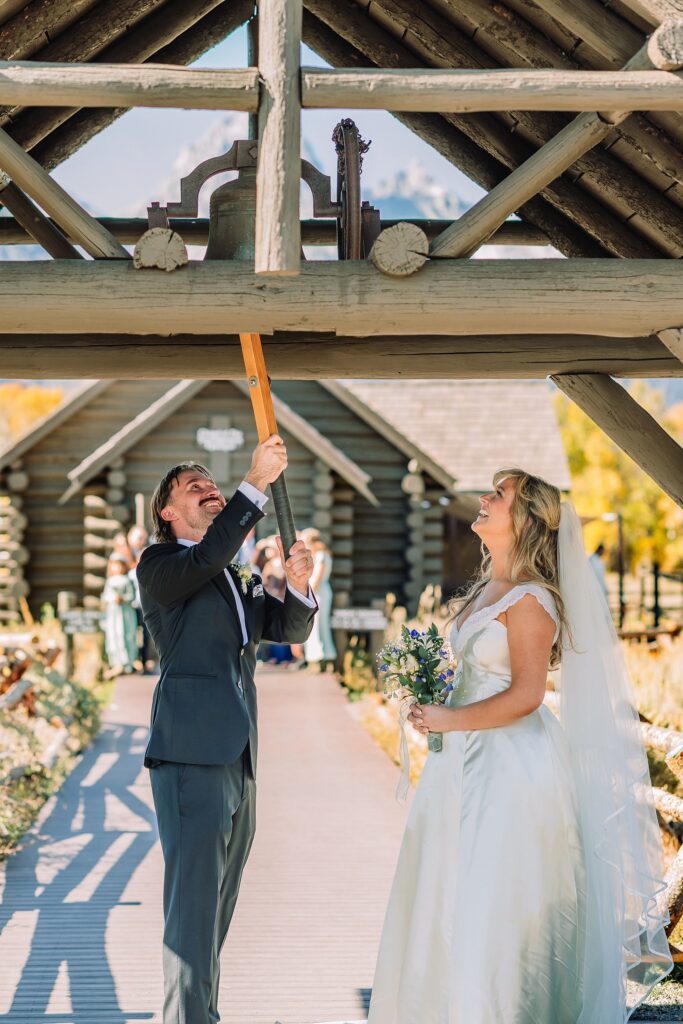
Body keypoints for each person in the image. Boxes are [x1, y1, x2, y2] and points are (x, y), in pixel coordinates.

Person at [368, 468, 672, 1024]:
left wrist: (452, 718)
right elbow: (475, 680)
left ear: (527, 518)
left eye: (498, 495)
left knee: (492, 900)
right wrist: (433, 711)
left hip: (510, 770)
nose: (483, 499)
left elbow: (528, 695)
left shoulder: (532, 598)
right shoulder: (488, 588)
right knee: (447, 892)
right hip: (460, 759)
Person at [136, 436, 318, 1024]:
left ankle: (199, 1016)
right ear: (168, 511)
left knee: (215, 909)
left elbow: (286, 627)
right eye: (197, 487)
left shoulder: (230, 576)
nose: (210, 489)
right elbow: (207, 556)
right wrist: (254, 483)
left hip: (239, 758)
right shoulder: (162, 566)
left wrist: (296, 584)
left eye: (214, 484)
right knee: (191, 912)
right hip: (191, 756)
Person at [302, 528, 337, 671]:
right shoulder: (320, 555)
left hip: (319, 592)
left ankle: (319, 658)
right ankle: (322, 656)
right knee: (318, 625)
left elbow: (318, 577)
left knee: (317, 625)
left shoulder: (321, 555)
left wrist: (308, 594)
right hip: (320, 591)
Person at [101, 553, 139, 676]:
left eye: (120, 565)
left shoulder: (126, 580)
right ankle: (117, 663)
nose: (117, 568)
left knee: (127, 634)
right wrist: (113, 598)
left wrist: (123, 598)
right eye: (115, 566)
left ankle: (129, 663)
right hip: (114, 613)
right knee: (114, 634)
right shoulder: (110, 581)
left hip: (125, 612)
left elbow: (131, 595)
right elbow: (106, 595)